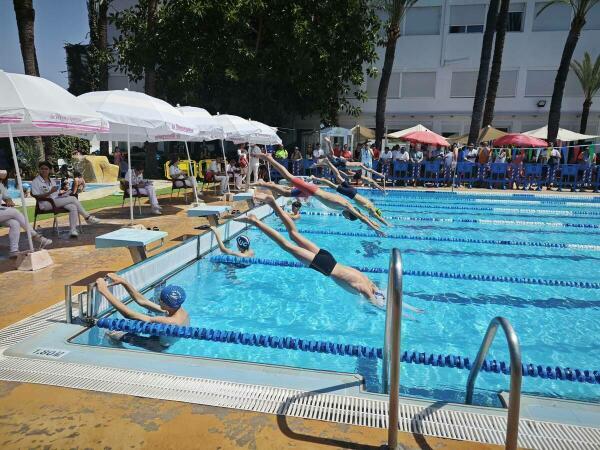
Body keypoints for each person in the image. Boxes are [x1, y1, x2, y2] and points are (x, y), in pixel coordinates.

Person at [237, 193, 423, 315]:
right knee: (286, 244)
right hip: (326, 267)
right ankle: (256, 222)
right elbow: (380, 303)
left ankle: (272, 203)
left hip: (329, 257)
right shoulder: (367, 289)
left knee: (294, 234)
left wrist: (410, 308)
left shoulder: (368, 281)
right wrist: (397, 311)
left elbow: (388, 298)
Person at [253, 153, 384, 235]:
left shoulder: (346, 206)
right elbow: (361, 217)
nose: (345, 217)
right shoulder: (347, 206)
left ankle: (265, 184)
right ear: (349, 215)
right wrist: (374, 228)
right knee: (288, 177)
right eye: (348, 218)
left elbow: (362, 216)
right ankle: (269, 159)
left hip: (312, 191)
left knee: (287, 194)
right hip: (312, 190)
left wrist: (375, 223)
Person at [312, 159, 390, 226]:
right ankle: (315, 178)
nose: (373, 216)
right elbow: (378, 218)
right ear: (376, 213)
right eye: (374, 216)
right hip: (351, 194)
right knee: (333, 186)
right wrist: (387, 224)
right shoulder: (372, 211)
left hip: (354, 192)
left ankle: (328, 163)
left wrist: (373, 223)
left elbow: (363, 216)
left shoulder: (371, 206)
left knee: (339, 177)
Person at [32, 161, 101, 237]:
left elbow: (55, 194)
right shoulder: (36, 181)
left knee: (73, 206)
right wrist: (50, 192)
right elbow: (37, 196)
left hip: (56, 201)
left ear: (49, 170)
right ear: (39, 169)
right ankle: (87, 217)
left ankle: (73, 230)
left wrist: (63, 194)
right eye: (42, 169)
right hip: (45, 204)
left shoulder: (52, 181)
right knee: (73, 199)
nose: (44, 170)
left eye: (46, 169)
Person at [96, 273, 189, 326]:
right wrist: (124, 282)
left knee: (112, 336)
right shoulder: (177, 310)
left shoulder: (169, 321)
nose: (158, 300)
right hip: (166, 336)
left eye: (160, 299)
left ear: (166, 304)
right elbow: (143, 301)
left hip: (158, 345)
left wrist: (104, 291)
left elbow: (129, 315)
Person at [0, 170, 52, 256]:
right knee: (14, 212)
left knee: (15, 223)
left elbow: (7, 197)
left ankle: (14, 251)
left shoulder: (1, 185)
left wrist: (9, 201)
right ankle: (34, 235)